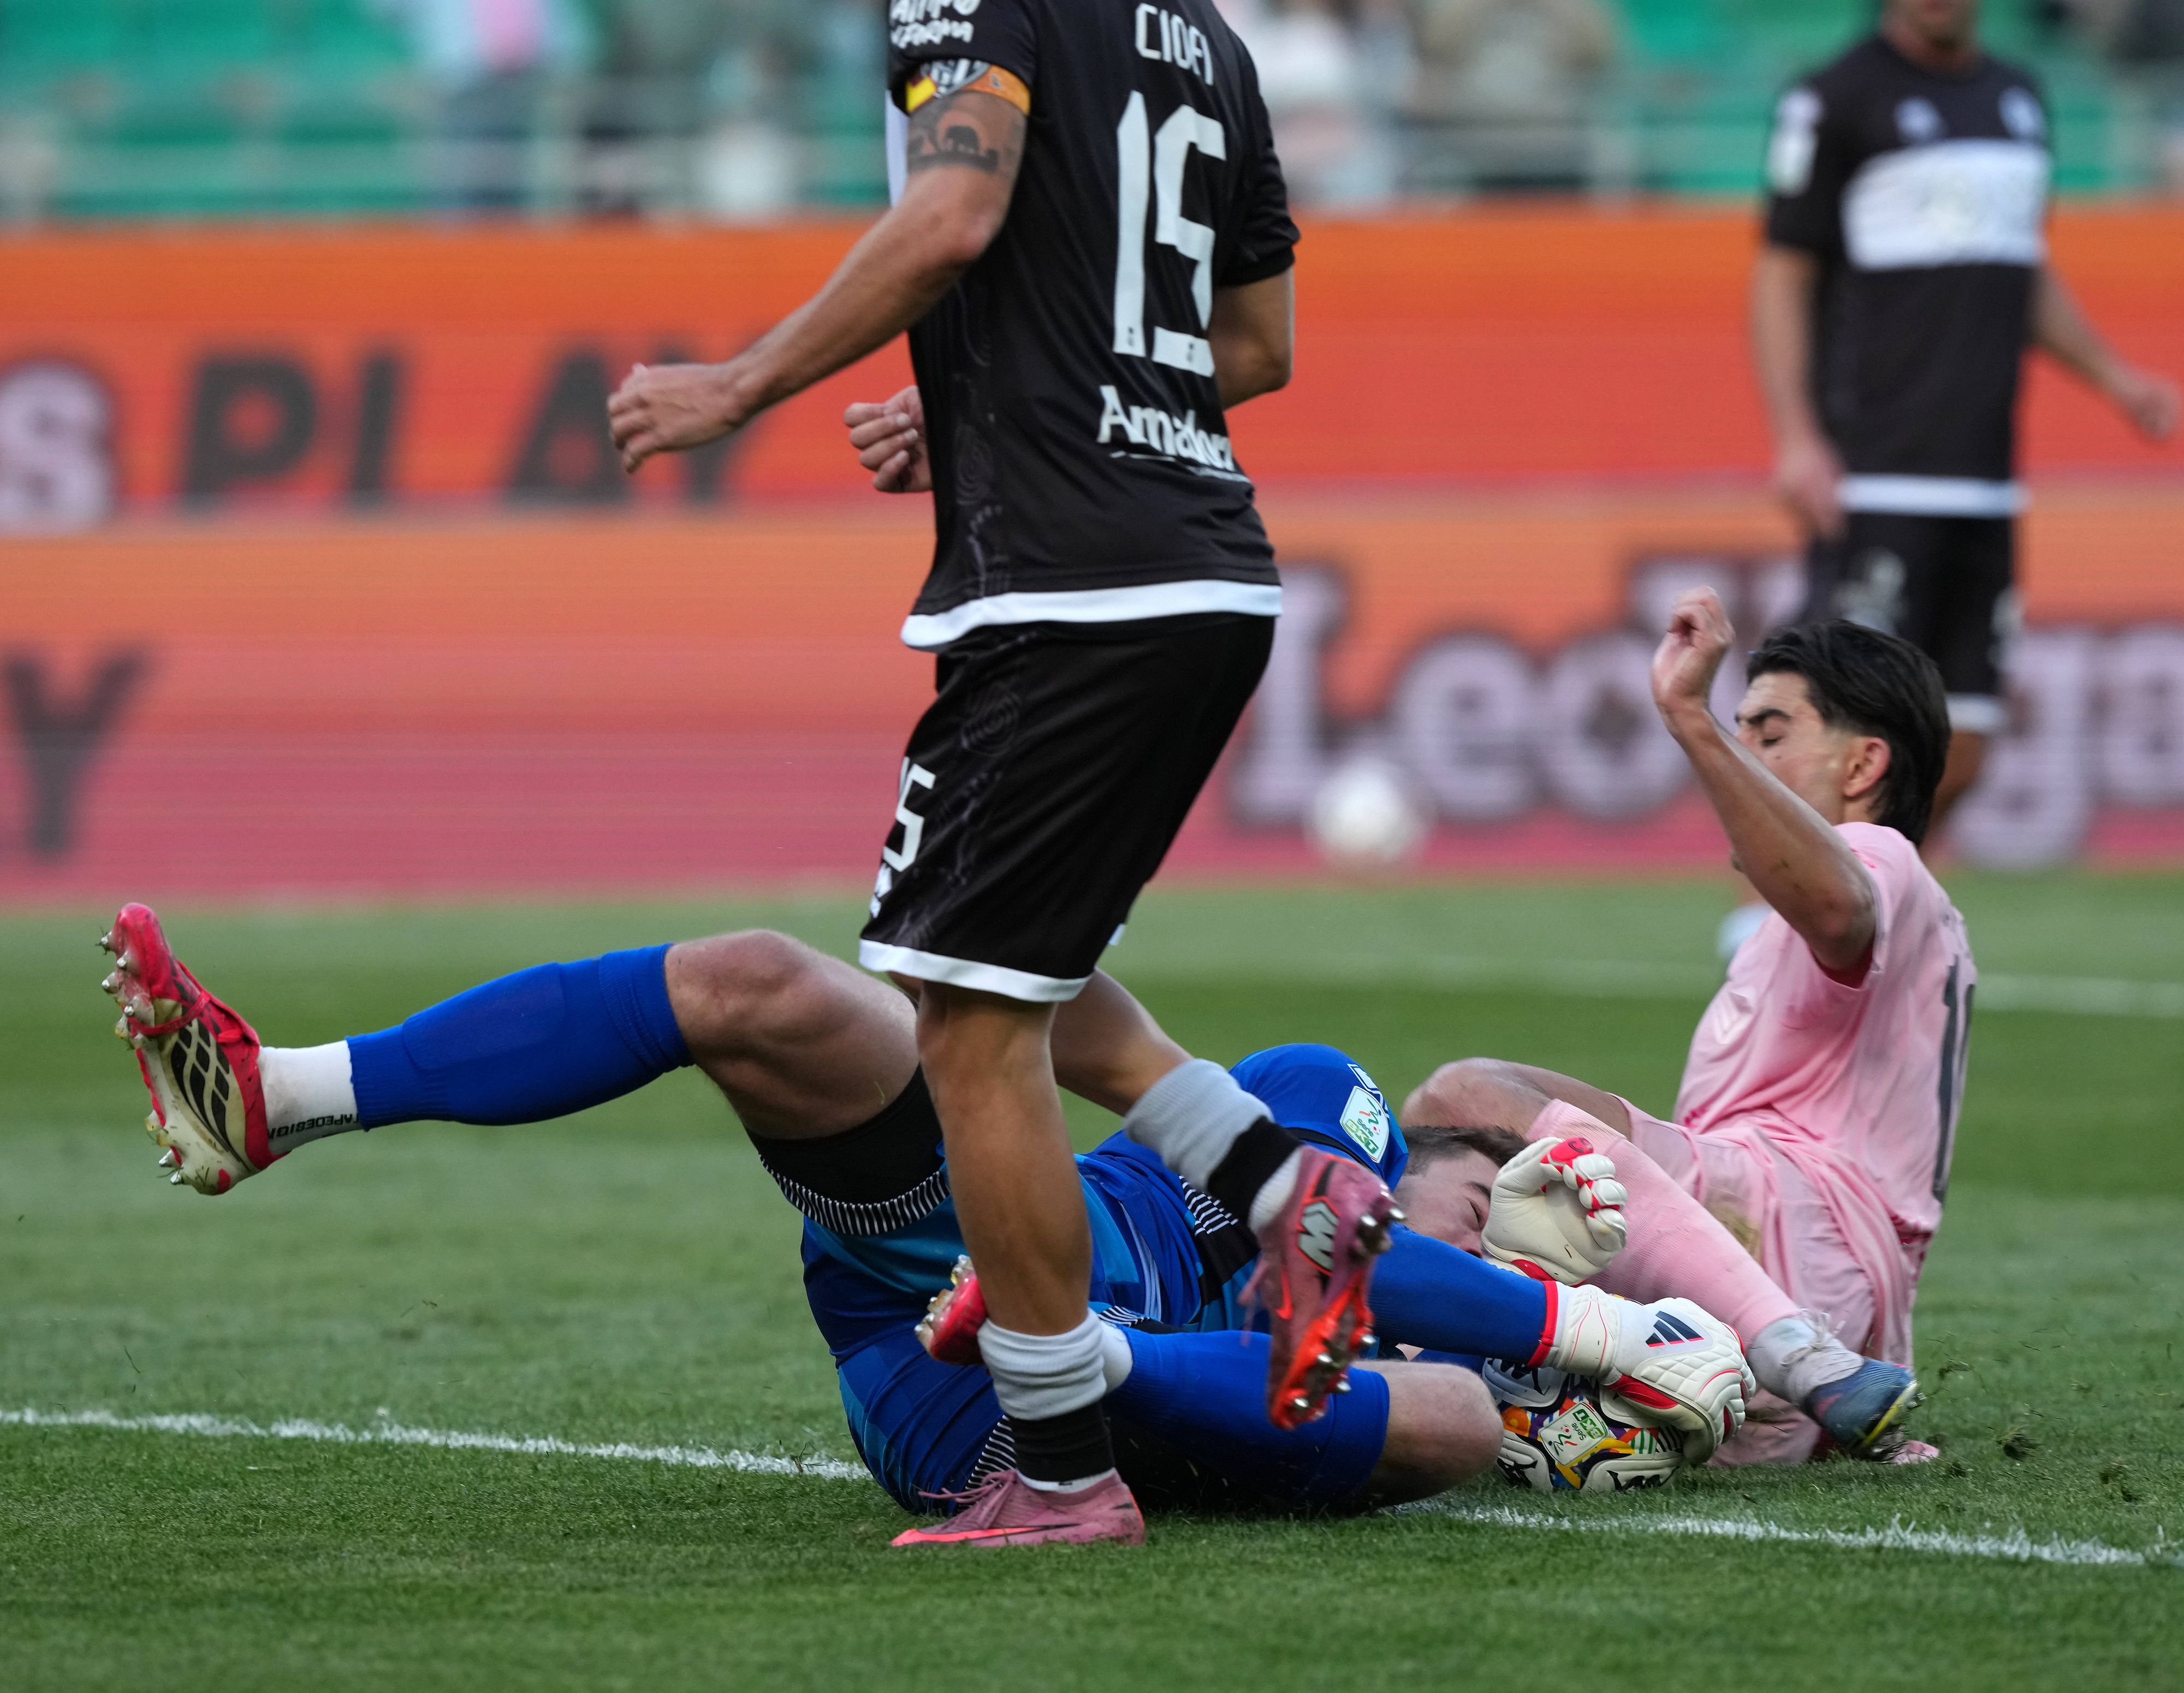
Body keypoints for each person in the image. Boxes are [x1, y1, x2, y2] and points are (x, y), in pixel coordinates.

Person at [600, 0, 1399, 1542]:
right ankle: (1286, 1188)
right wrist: (984, 392)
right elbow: (1258, 346)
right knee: (995, 974)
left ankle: (1062, 1472)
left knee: (968, 1032)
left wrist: (737, 385)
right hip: (1206, 565)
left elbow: (956, 207)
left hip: (1070, 585)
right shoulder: (1212, 39)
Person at [98, 907, 1755, 1537]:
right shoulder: (1320, 1097)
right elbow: (1345, 1229)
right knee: (754, 979)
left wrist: (1583, 1346)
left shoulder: (1436, 1337)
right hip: (970, 1234)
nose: (1488, 1208)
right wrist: (1602, 1327)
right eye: (1489, 1187)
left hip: (974, 1371)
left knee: (1453, 1429)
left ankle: (1070, 1351)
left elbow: (1425, 1336)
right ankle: (284, 1091)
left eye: (1518, 1223)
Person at [1410, 592, 1965, 1462]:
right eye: (1739, 731)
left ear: (1863, 766)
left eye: (1771, 734)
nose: (1744, 756)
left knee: (1462, 1095)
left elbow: (1839, 903)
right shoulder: (1788, 934)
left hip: (1799, 1224)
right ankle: (1439, 1368)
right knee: (1481, 1147)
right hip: (1822, 1271)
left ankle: (1790, 1352)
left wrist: (1689, 718)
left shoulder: (1880, 854)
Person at [1751, 0, 2180, 840]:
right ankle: (1786, 928)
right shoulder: (1839, 96)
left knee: (1962, 748)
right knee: (1845, 735)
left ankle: (1862, 929)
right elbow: (1780, 272)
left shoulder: (2017, 97)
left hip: (1984, 478)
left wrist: (2115, 379)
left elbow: (2018, 264)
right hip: (1879, 471)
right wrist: (1798, 438)